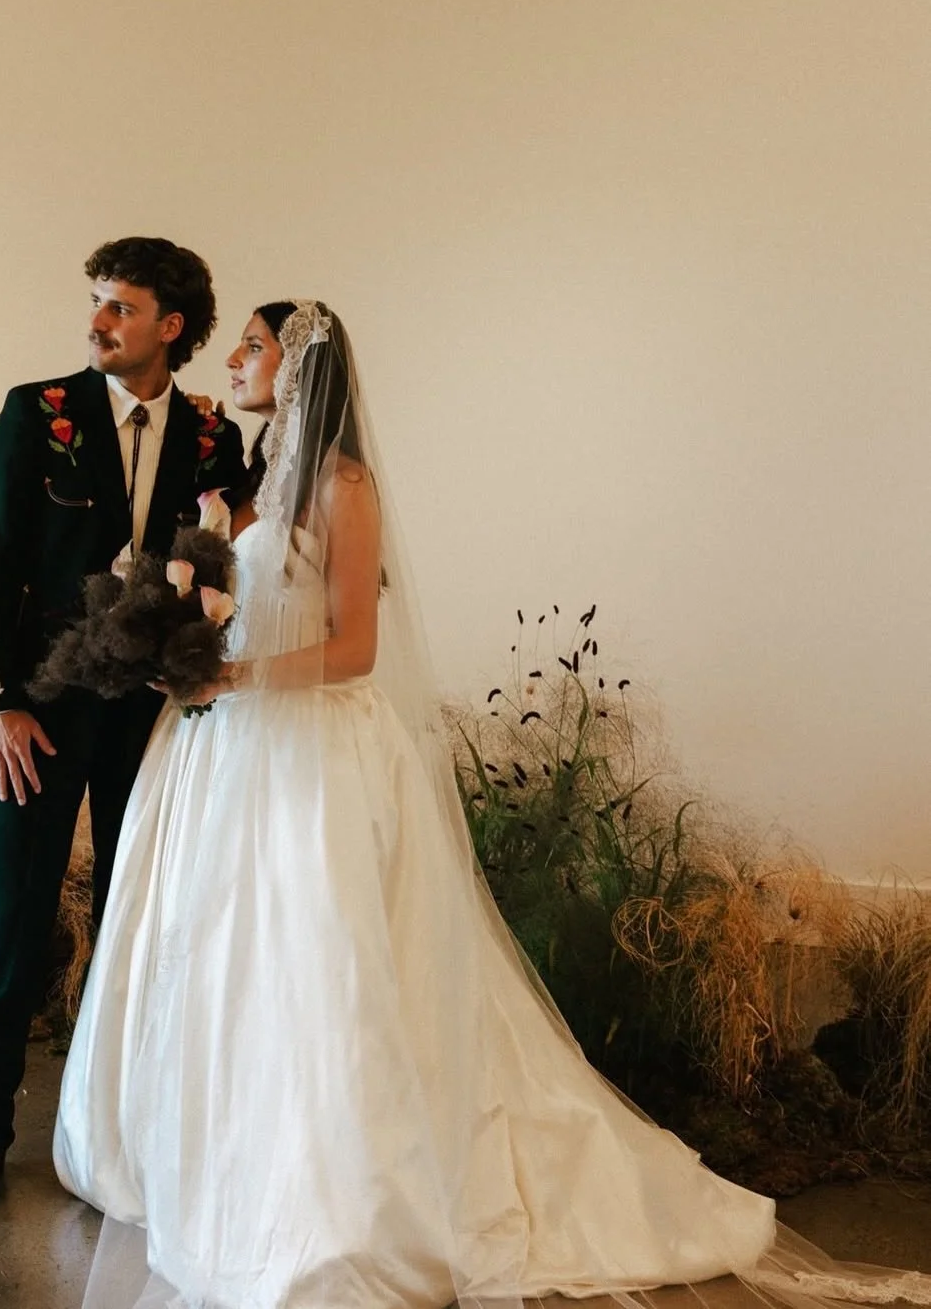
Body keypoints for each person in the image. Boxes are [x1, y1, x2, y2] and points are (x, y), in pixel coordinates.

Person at [52, 301, 931, 1309]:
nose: (237, 361)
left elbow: (354, 649)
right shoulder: (250, 485)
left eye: (254, 345)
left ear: (298, 368)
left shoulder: (343, 486)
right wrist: (178, 640)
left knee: (324, 957)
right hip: (233, 751)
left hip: (315, 756)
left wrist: (235, 674)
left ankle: (340, 1193)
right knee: (230, 951)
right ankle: (216, 1154)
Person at [0, 237, 245, 1221]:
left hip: (156, 720)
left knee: (138, 916)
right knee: (17, 914)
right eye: (97, 302)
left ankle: (115, 1127)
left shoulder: (211, 434)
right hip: (40, 709)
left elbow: (234, 562)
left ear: (171, 326)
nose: (99, 321)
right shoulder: (38, 413)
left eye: (121, 306)